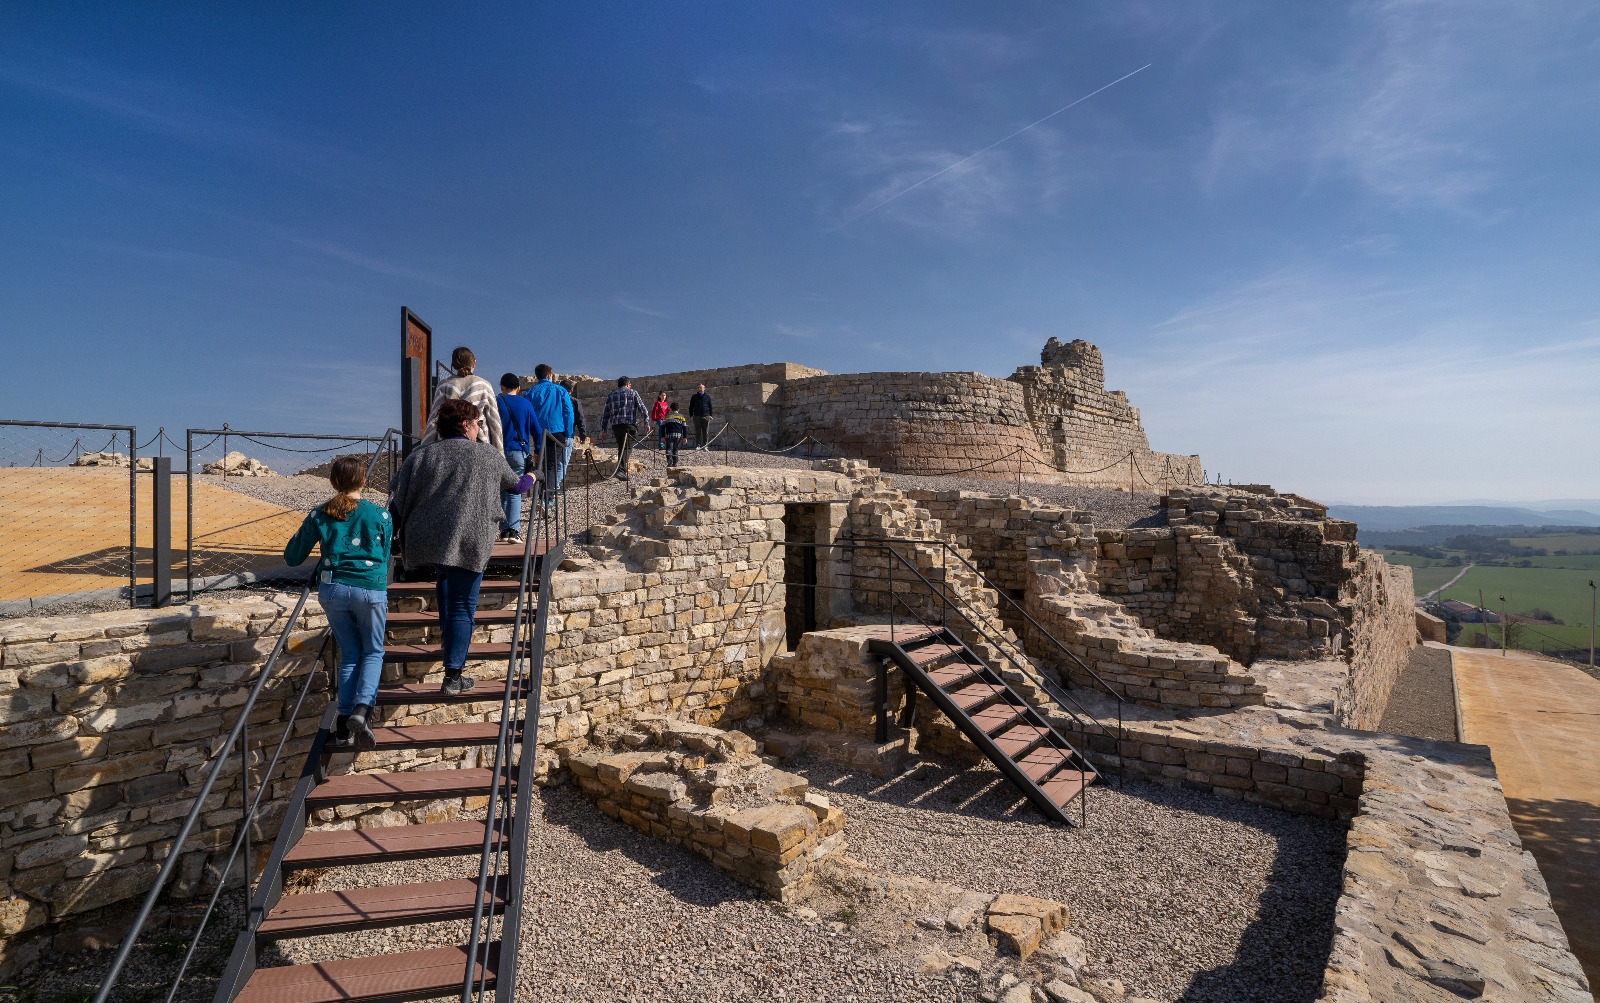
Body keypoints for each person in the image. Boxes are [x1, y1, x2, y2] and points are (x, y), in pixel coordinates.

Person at [388, 399, 534, 695]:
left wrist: (387, 536)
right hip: (468, 539)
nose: (480, 429)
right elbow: (515, 487)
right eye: (479, 424)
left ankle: (449, 644)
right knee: (462, 606)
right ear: (465, 425)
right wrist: (533, 476)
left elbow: (397, 498)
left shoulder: (420, 455)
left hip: (426, 539)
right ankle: (454, 676)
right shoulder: (487, 455)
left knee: (444, 581)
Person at [283, 456, 392, 750]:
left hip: (332, 589)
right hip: (368, 589)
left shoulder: (320, 514)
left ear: (332, 482)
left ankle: (344, 725)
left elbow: (292, 556)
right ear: (364, 481)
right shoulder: (380, 515)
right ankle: (362, 710)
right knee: (372, 651)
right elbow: (385, 555)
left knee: (350, 652)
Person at [420, 347, 503, 449]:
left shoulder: (444, 384)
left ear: (453, 364)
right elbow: (495, 422)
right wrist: (500, 454)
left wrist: (423, 448)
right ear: (474, 363)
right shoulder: (484, 385)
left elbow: (434, 419)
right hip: (478, 441)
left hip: (449, 442)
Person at [496, 373, 543, 544]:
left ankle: (503, 530)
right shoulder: (526, 404)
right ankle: (513, 531)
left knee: (501, 491)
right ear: (518, 388)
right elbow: (537, 431)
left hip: (498, 451)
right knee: (515, 492)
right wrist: (537, 450)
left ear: (501, 387)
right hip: (518, 451)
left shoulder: (496, 402)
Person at [525, 364, 574, 495]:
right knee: (552, 466)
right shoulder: (560, 390)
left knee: (540, 464)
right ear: (549, 375)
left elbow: (527, 415)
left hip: (537, 434)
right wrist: (568, 434)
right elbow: (568, 413)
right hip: (557, 432)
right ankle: (547, 498)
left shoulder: (529, 393)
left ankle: (539, 494)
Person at [600, 376, 650, 479]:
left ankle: (621, 469)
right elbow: (643, 409)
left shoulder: (611, 395)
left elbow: (605, 414)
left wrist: (604, 430)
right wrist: (646, 423)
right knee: (628, 447)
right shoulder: (633, 393)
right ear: (627, 384)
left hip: (616, 426)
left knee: (621, 447)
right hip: (629, 424)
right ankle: (620, 470)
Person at [658, 402, 688, 466]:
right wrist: (685, 437)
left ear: (670, 409)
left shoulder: (666, 416)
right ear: (678, 410)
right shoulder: (682, 417)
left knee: (669, 449)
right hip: (678, 435)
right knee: (675, 449)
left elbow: (663, 427)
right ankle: (675, 462)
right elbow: (684, 427)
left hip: (669, 435)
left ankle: (669, 460)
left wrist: (662, 436)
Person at [689, 383, 714, 450]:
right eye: (698, 388)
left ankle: (705, 446)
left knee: (705, 432)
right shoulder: (694, 397)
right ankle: (698, 445)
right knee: (698, 431)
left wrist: (711, 415)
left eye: (700, 388)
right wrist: (691, 415)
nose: (699, 389)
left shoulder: (707, 397)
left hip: (706, 416)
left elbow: (710, 406)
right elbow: (691, 407)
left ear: (704, 389)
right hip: (696, 416)